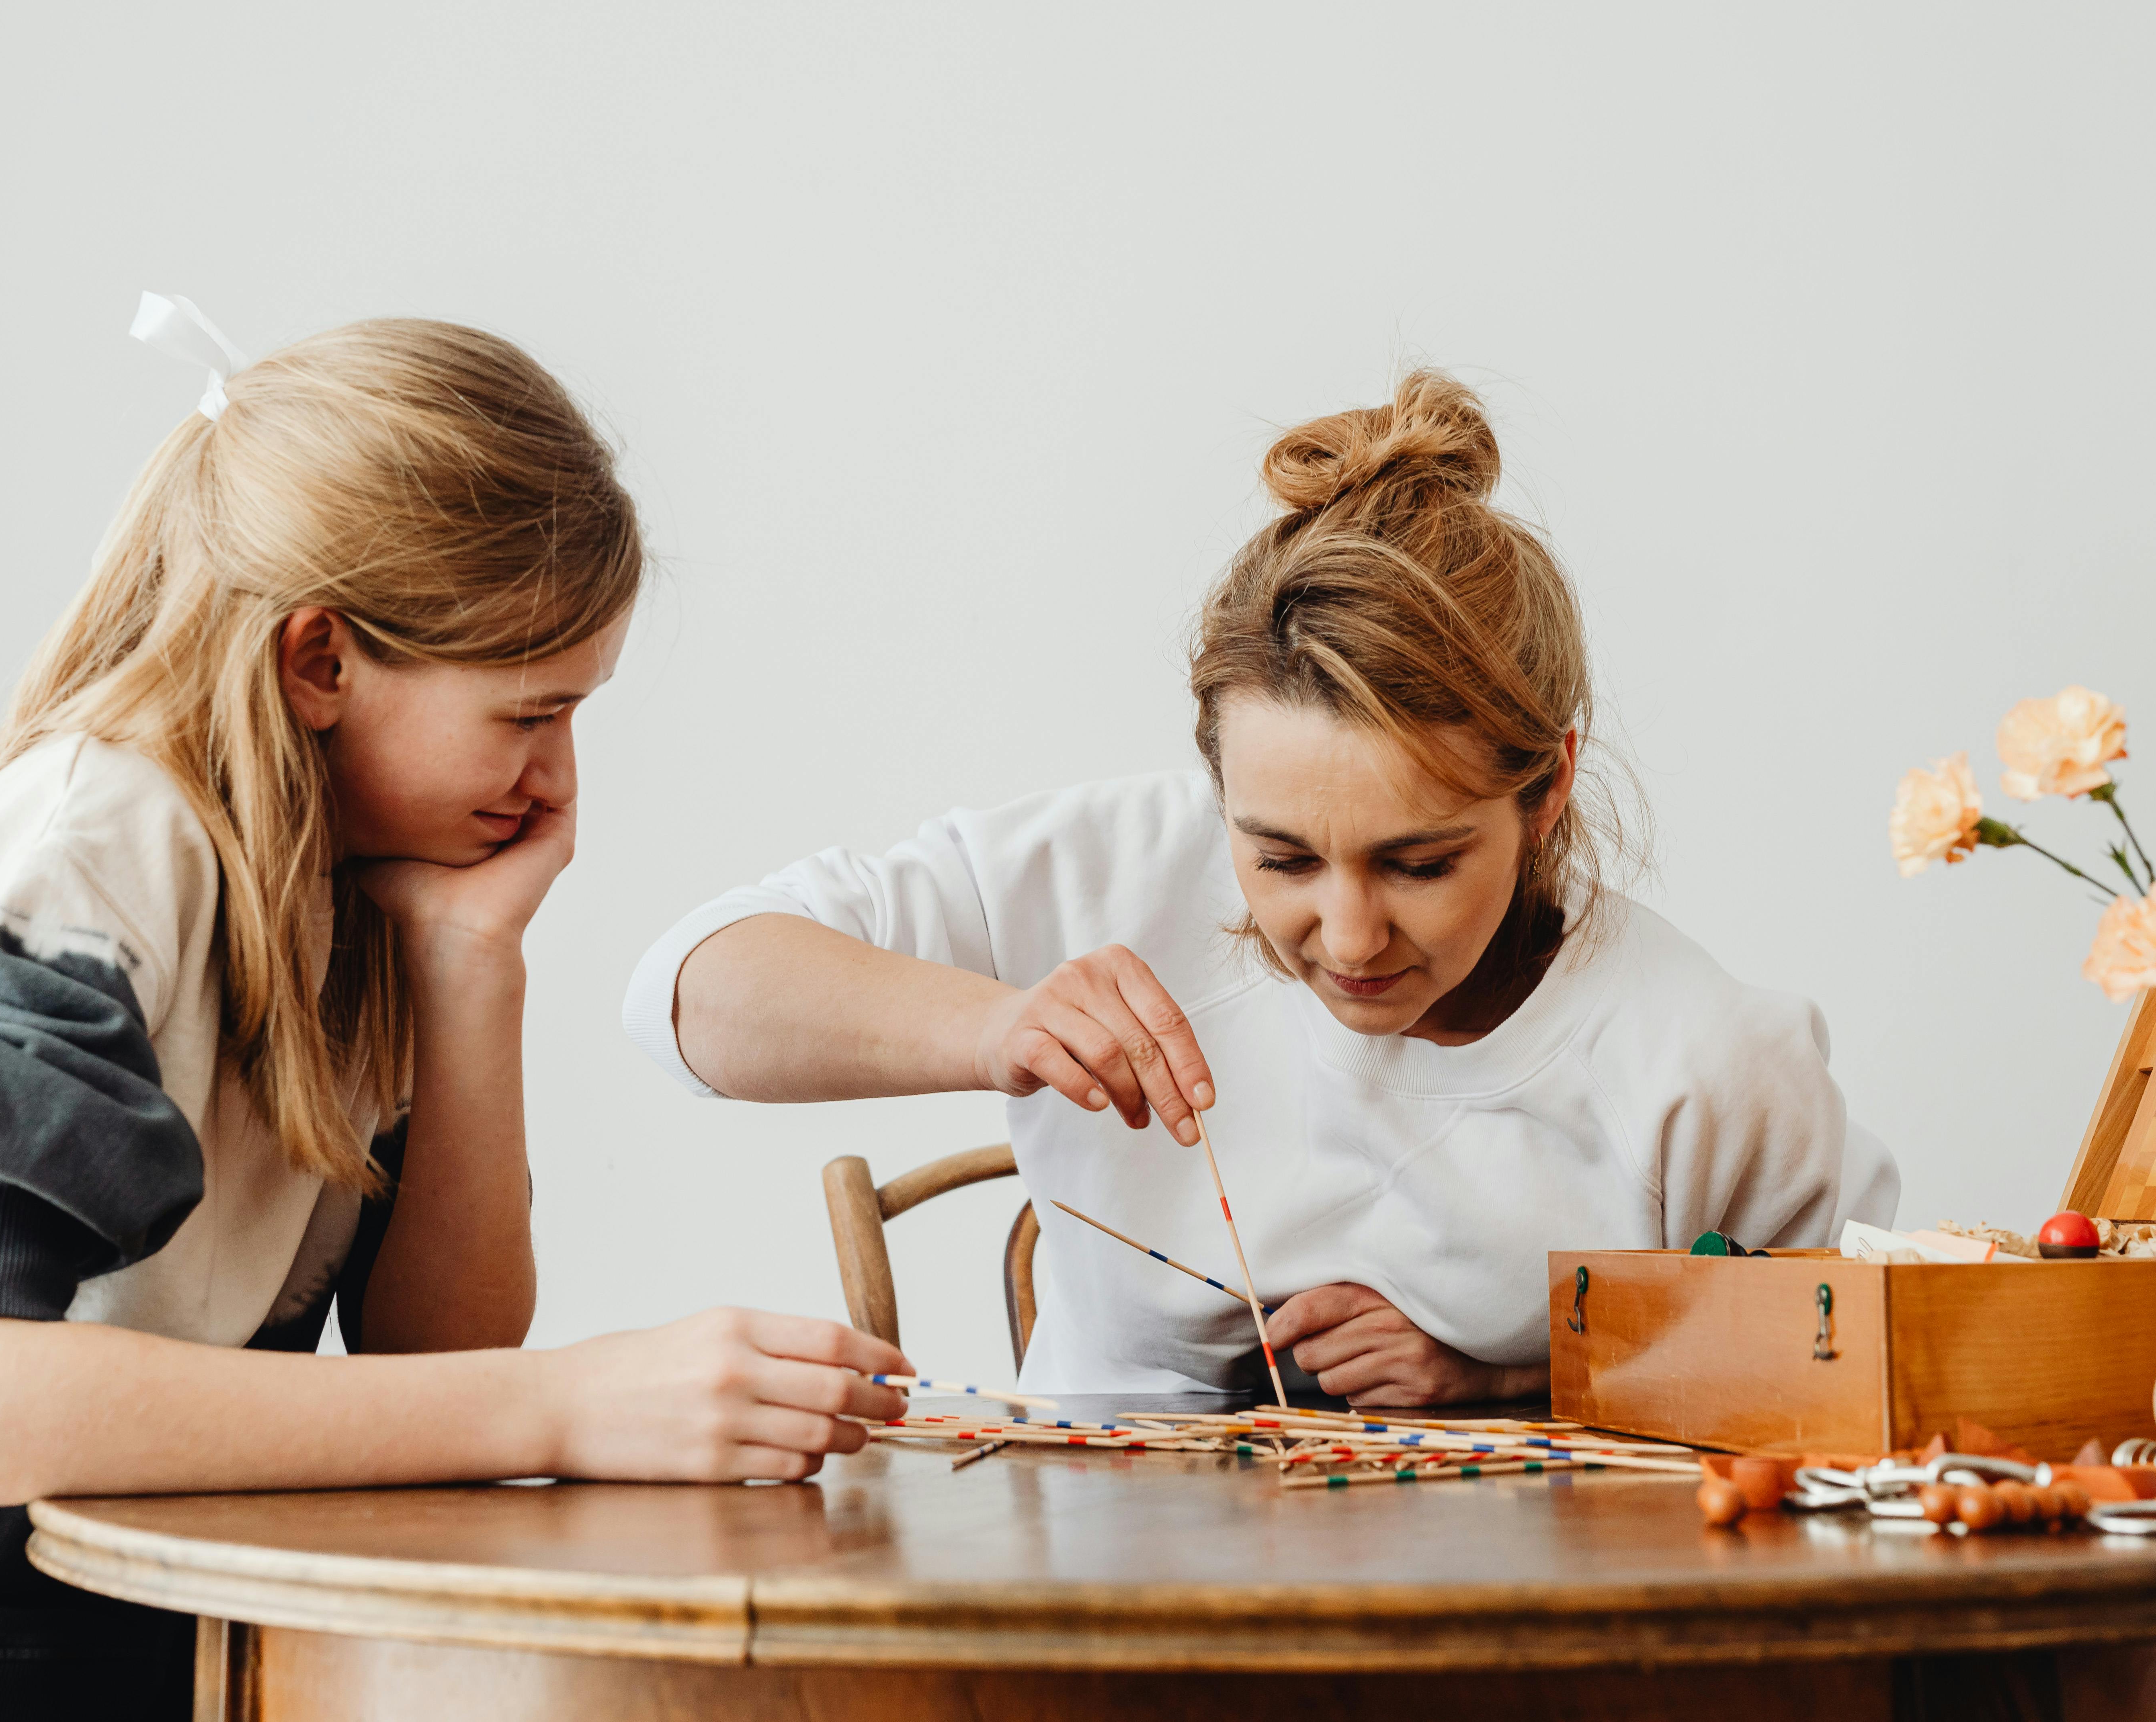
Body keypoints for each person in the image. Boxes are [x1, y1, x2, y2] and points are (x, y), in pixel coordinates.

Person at [0, 309, 908, 1721]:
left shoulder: (342, 886)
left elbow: (431, 1359)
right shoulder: (103, 849)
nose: (561, 778)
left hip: (126, 1657)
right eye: (529, 713)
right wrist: (578, 1405)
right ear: (320, 662)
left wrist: (467, 966)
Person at [629, 369, 1898, 1405]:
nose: (1345, 938)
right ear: (1214, 781)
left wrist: (1512, 1379)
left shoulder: (1704, 1063)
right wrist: (992, 1025)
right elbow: (683, 997)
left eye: (1420, 862)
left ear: (1547, 788)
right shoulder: (1109, 870)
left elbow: (1855, 1372)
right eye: (1280, 857)